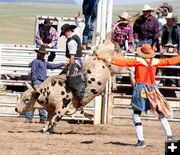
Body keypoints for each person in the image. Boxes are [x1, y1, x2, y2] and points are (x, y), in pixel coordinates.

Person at [97, 43, 180, 147]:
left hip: (140, 89)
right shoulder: (155, 61)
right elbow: (169, 61)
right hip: (152, 89)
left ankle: (141, 141)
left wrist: (109, 59)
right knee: (160, 113)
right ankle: (170, 137)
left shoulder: (138, 61)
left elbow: (123, 63)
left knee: (136, 114)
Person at [25, 46, 65, 123]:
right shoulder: (35, 62)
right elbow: (33, 72)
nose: (43, 55)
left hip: (42, 83)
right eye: (42, 53)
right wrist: (35, 82)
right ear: (38, 53)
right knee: (37, 100)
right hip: (38, 82)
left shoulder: (43, 62)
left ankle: (37, 118)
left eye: (44, 54)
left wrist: (61, 64)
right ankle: (34, 118)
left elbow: (52, 66)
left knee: (38, 101)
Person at [60, 13, 85, 106]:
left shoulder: (71, 42)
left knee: (72, 80)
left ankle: (80, 99)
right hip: (80, 61)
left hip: (75, 62)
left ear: (67, 31)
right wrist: (76, 18)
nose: (64, 35)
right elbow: (79, 26)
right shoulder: (76, 33)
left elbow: (72, 56)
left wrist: (70, 65)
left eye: (64, 33)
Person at [159, 14, 180, 87]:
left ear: (173, 20)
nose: (168, 21)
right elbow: (160, 38)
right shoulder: (163, 27)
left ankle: (172, 81)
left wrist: (179, 49)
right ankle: (162, 80)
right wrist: (161, 48)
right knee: (163, 64)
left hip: (174, 47)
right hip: (165, 47)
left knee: (173, 64)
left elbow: (179, 39)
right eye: (167, 19)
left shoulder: (177, 27)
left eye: (170, 19)